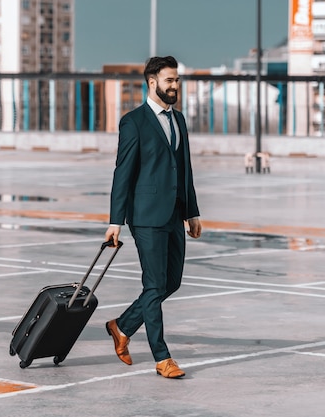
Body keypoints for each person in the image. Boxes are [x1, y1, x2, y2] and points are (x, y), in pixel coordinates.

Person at [104, 56, 202, 379]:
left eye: (177, 80)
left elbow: (184, 168)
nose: (175, 86)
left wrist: (192, 211)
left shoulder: (179, 121)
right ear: (152, 82)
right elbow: (122, 173)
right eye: (169, 80)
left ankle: (122, 326)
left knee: (170, 282)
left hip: (174, 214)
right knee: (154, 283)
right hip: (145, 217)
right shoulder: (133, 122)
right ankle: (162, 357)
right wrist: (115, 221)